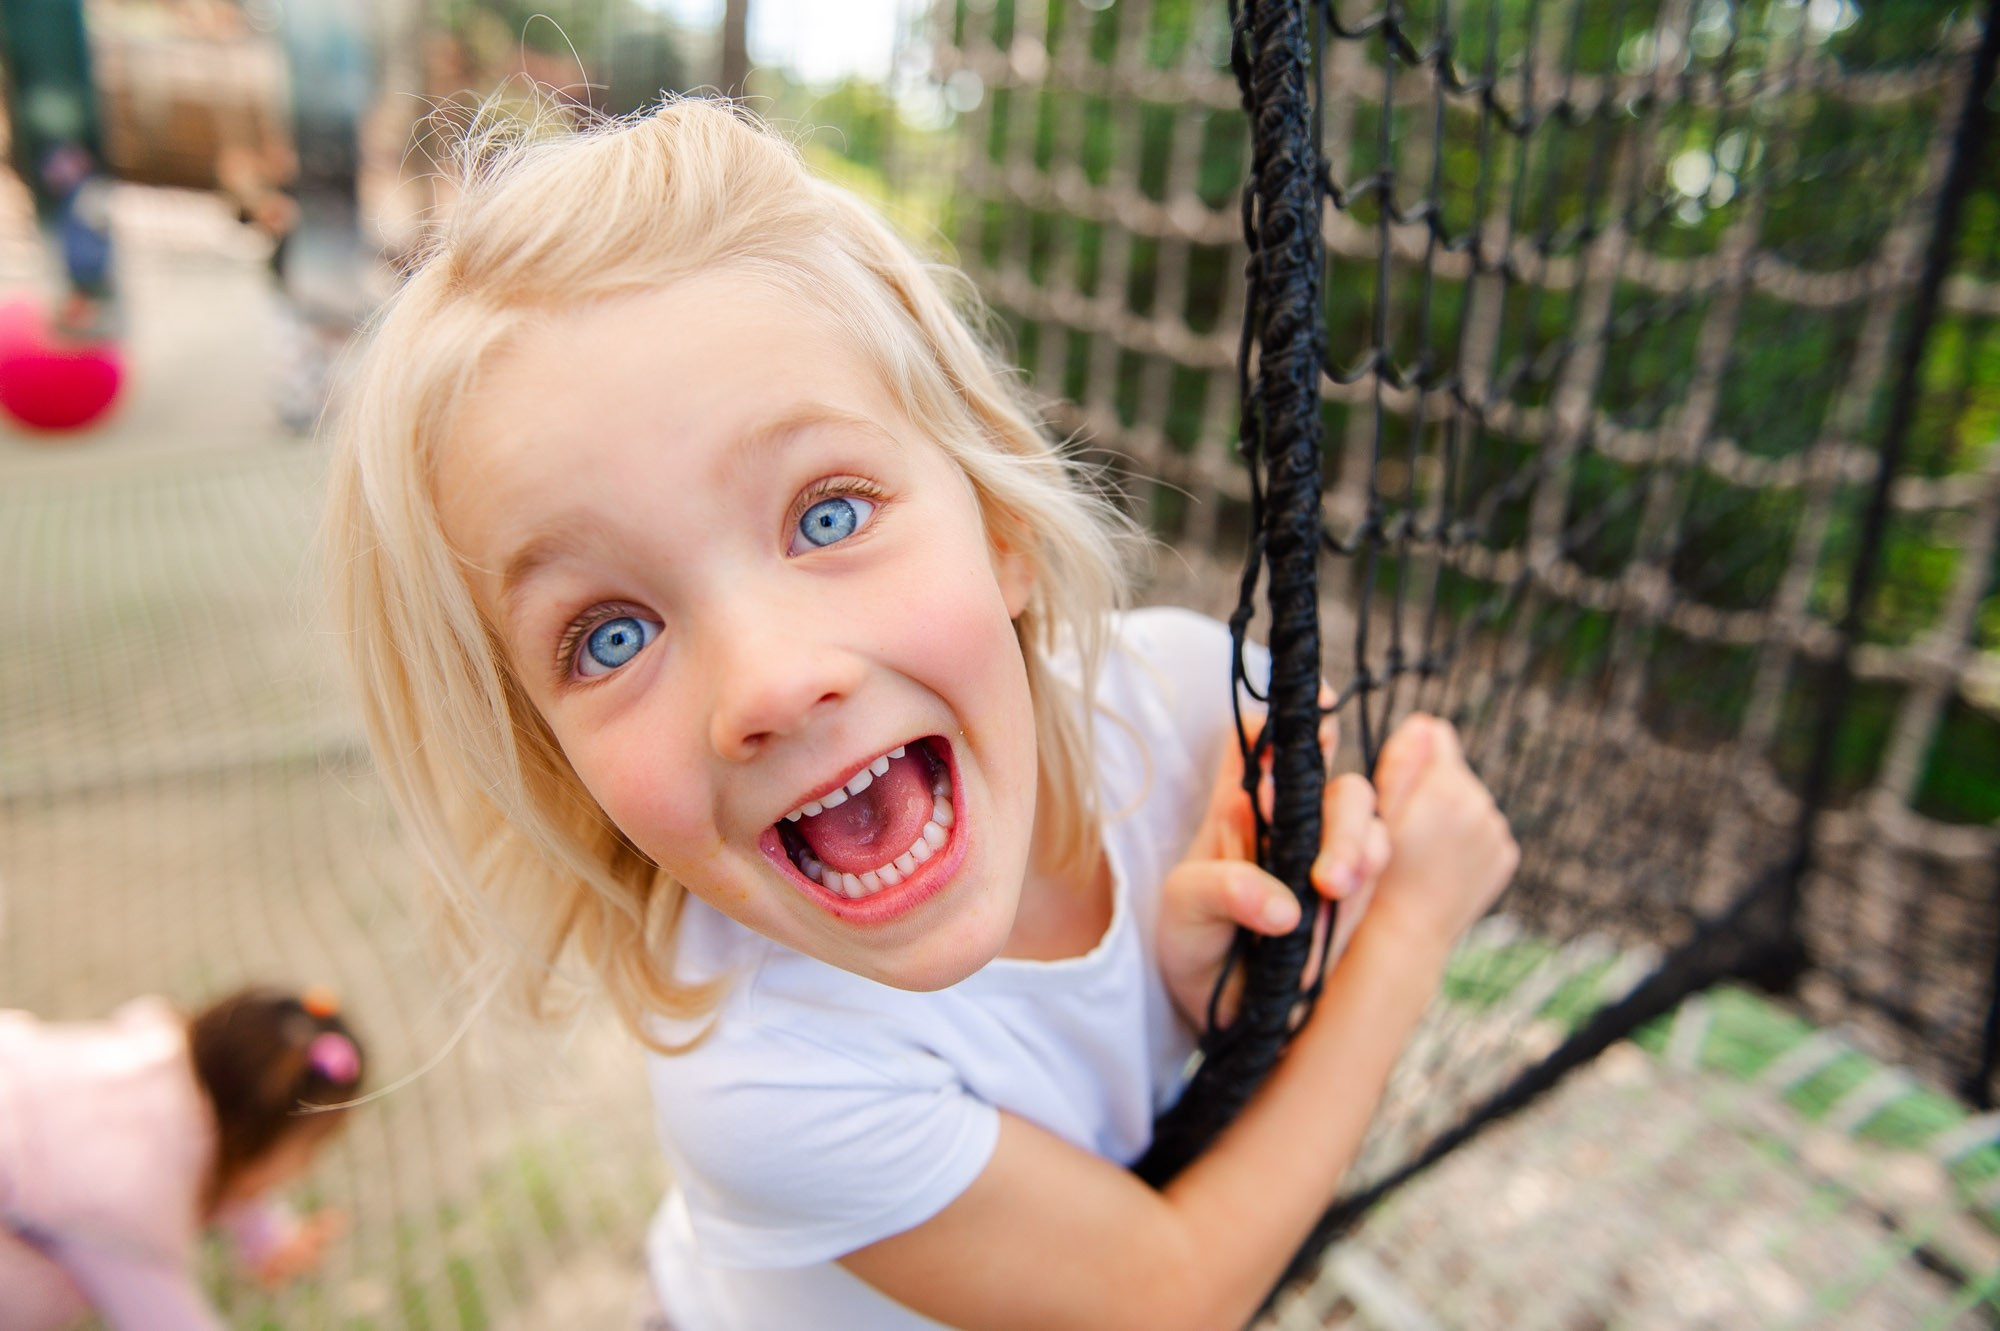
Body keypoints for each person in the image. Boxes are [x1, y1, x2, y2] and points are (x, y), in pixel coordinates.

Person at [324, 96, 1518, 1331]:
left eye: (826, 514)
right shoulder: (767, 1074)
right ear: (562, 766)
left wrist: (1192, 991)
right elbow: (1170, 1292)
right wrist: (1408, 931)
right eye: (611, 636)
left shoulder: (1186, 707)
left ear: (997, 526)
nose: (771, 684)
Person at [0, 986, 365, 1330]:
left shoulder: (159, 1065)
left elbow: (226, 1160)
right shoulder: (131, 1200)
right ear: (251, 1141)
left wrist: (266, 1236)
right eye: (310, 1147)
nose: (307, 1167)